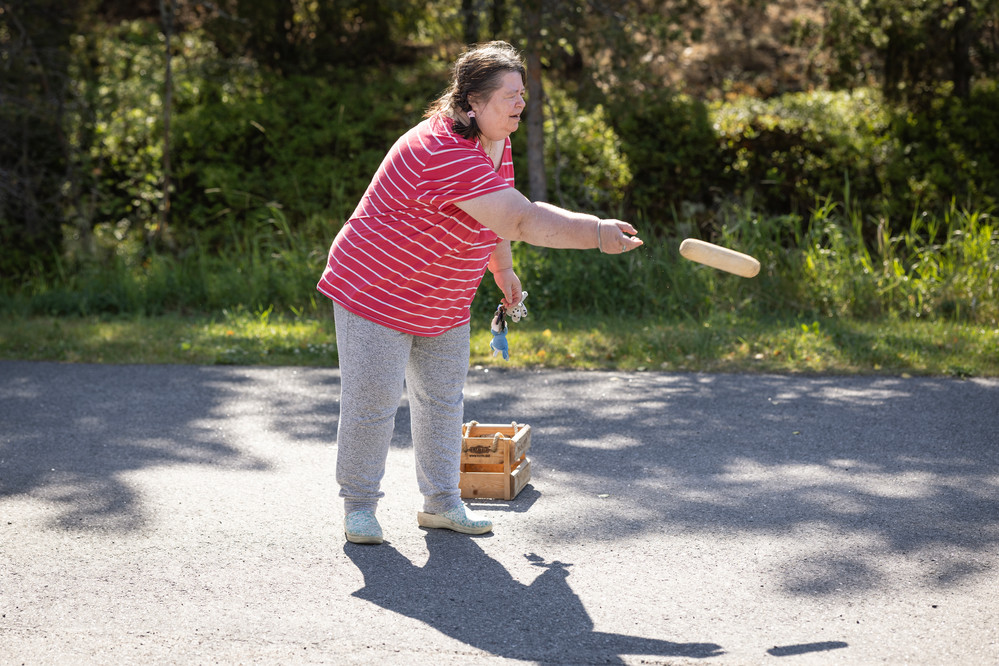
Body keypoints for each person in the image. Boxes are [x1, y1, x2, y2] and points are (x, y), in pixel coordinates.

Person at [317, 41, 643, 545]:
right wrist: (595, 232)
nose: (519, 105)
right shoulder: (442, 149)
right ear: (471, 101)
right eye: (508, 96)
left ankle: (443, 503)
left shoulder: (497, 138)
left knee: (442, 399)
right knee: (373, 400)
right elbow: (520, 216)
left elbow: (498, 214)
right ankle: (359, 507)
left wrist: (503, 266)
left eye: (522, 94)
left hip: (442, 290)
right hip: (376, 287)